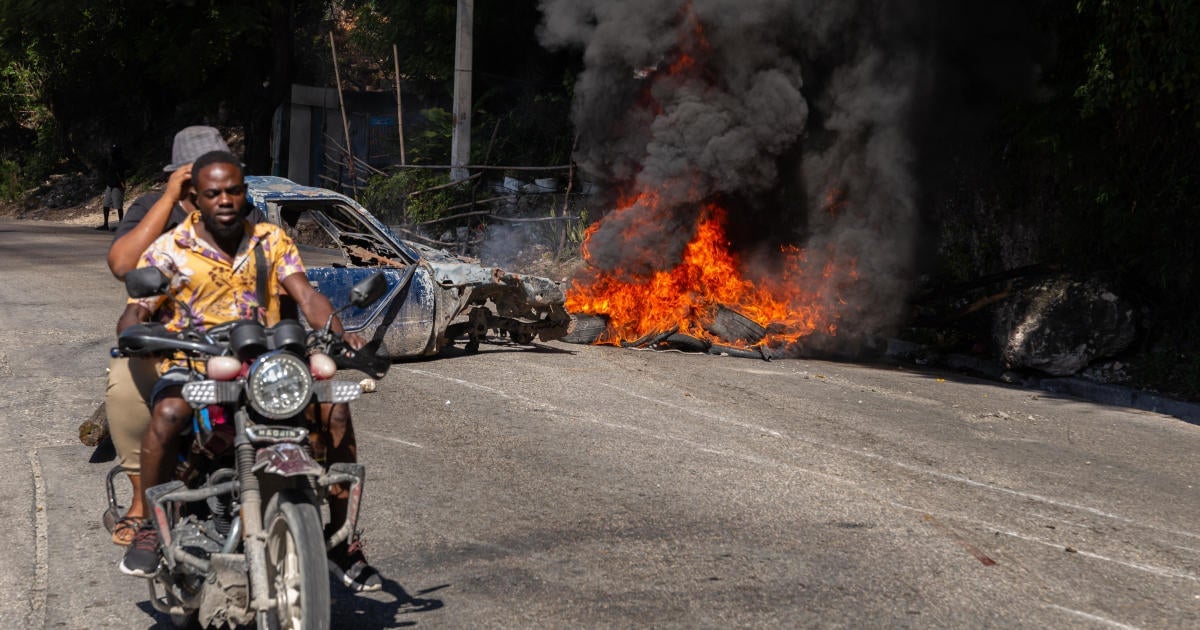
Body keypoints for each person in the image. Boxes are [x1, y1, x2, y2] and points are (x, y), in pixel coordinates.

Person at [115, 150, 382, 592]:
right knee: (167, 414)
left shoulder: (271, 241)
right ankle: (148, 522)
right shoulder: (169, 249)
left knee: (334, 409)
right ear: (196, 199)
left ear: (244, 193)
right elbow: (136, 308)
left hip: (266, 363)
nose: (225, 200)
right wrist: (133, 331)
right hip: (195, 361)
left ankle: (341, 542)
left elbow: (306, 294)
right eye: (213, 193)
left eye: (234, 191)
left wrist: (339, 331)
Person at [103, 126, 232, 548]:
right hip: (164, 339)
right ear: (181, 175)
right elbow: (123, 264)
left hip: (231, 338)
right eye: (201, 174)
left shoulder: (238, 210)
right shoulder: (151, 208)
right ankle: (142, 503)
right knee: (124, 385)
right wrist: (168, 197)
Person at [98, 143, 129, 231]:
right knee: (106, 204)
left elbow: (131, 168)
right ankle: (106, 224)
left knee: (118, 206)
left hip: (118, 186)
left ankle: (121, 226)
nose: (112, 152)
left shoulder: (122, 161)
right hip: (110, 185)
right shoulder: (112, 160)